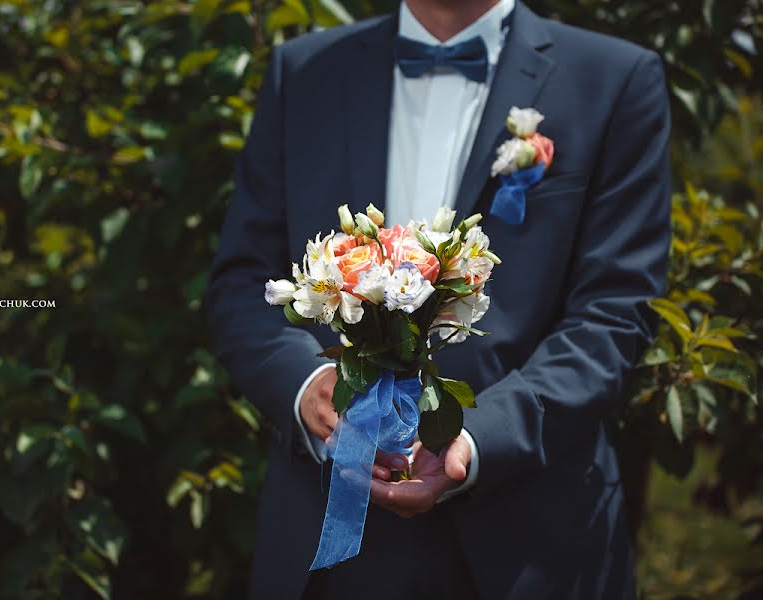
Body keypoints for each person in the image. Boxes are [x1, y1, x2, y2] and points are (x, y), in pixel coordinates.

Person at [206, 0, 671, 597]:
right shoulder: (303, 72)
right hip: (328, 532)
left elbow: (615, 314)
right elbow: (244, 283)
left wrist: (480, 437)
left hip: (532, 542)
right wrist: (304, 388)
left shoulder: (615, 79)